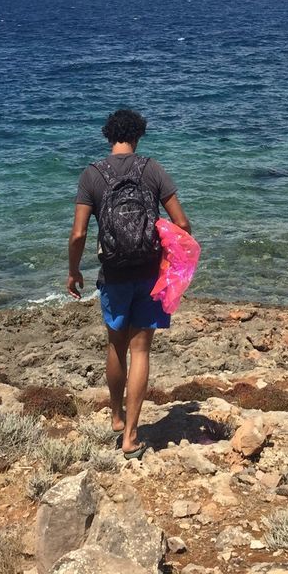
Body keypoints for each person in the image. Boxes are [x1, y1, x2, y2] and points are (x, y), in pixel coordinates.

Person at [67, 108, 191, 459]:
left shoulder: (92, 175)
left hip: (114, 274)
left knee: (115, 346)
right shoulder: (151, 169)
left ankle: (117, 417)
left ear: (109, 136)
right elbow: (182, 223)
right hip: (149, 273)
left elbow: (78, 234)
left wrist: (73, 271)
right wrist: (173, 264)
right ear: (138, 135)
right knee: (141, 351)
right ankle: (132, 438)